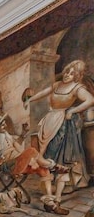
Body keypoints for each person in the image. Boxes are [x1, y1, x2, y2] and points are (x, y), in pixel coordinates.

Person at [24, 59, 94, 194]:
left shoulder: (77, 87)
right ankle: (50, 180)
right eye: (67, 72)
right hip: (50, 119)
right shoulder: (57, 85)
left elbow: (91, 100)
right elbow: (43, 93)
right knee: (48, 148)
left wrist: (72, 111)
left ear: (77, 76)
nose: (68, 75)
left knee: (61, 151)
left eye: (72, 73)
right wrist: (30, 100)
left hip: (64, 122)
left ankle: (66, 183)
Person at [0, 113, 71, 214]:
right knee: (32, 150)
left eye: (5, 124)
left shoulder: (9, 137)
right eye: (2, 125)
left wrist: (24, 133)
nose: (5, 126)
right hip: (9, 166)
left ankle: (50, 204)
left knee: (43, 170)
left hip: (20, 163)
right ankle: (53, 166)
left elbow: (19, 146)